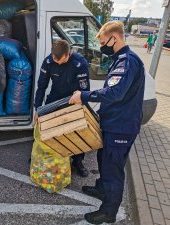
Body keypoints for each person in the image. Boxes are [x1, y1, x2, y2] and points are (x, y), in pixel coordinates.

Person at [69, 21, 145, 224]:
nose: (102, 47)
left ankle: (109, 212)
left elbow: (115, 93)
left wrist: (84, 95)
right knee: (104, 159)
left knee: (113, 168)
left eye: (104, 42)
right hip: (113, 122)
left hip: (121, 126)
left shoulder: (127, 61)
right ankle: (103, 189)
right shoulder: (119, 59)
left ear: (115, 38)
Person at [34, 39, 90, 177]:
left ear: (68, 54)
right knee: (48, 130)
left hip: (73, 100)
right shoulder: (48, 62)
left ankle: (77, 161)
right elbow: (41, 86)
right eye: (55, 60)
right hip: (54, 98)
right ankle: (45, 155)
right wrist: (38, 109)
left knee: (76, 132)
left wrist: (79, 106)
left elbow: (84, 90)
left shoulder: (80, 64)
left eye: (61, 61)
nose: (57, 63)